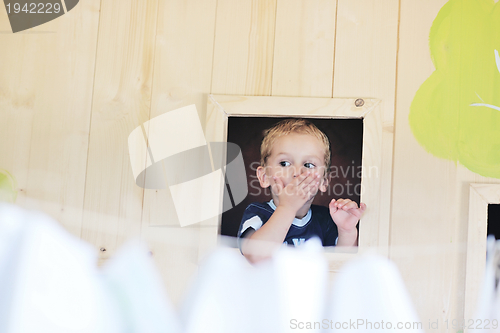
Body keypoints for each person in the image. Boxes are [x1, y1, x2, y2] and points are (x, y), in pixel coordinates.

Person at [237, 119, 366, 264]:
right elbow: (255, 256)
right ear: (264, 177)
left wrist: (346, 231)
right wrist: (287, 207)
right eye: (284, 163)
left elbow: (342, 266)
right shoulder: (257, 213)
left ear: (323, 181)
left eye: (308, 164)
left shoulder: (326, 220)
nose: (297, 172)